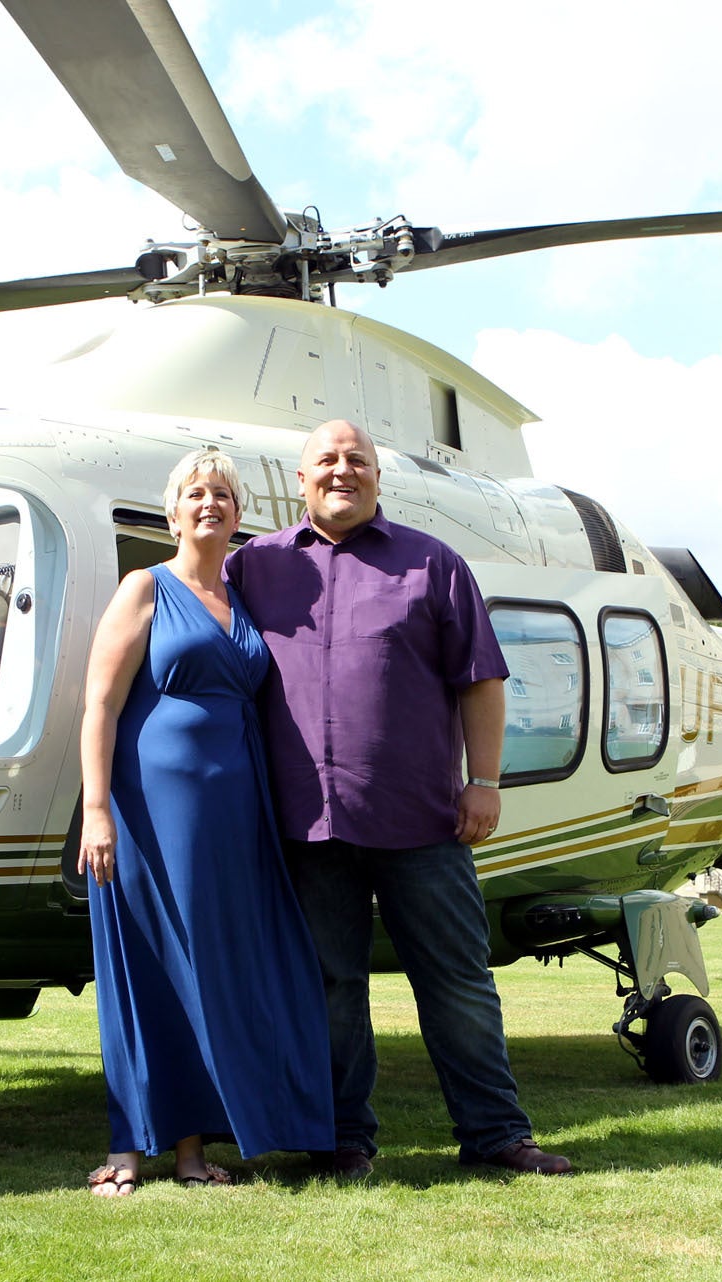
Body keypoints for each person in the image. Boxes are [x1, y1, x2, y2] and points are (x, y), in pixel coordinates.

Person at [225, 418, 574, 1179]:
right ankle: (341, 1141)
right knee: (330, 989)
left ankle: (495, 1137)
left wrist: (485, 782)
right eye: (326, 459)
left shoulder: (432, 563)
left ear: (378, 478)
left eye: (357, 460)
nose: (341, 470)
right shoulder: (255, 567)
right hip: (304, 824)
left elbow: (481, 678)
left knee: (457, 982)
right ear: (300, 478)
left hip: (422, 820)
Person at [76, 447, 334, 1196]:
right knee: (152, 970)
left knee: (210, 975)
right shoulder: (144, 589)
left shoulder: (243, 599)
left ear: (239, 514)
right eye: (195, 493)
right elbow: (100, 704)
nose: (209, 504)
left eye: (222, 494)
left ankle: (191, 1155)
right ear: (171, 512)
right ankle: (131, 1149)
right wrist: (96, 809)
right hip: (152, 815)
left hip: (234, 817)